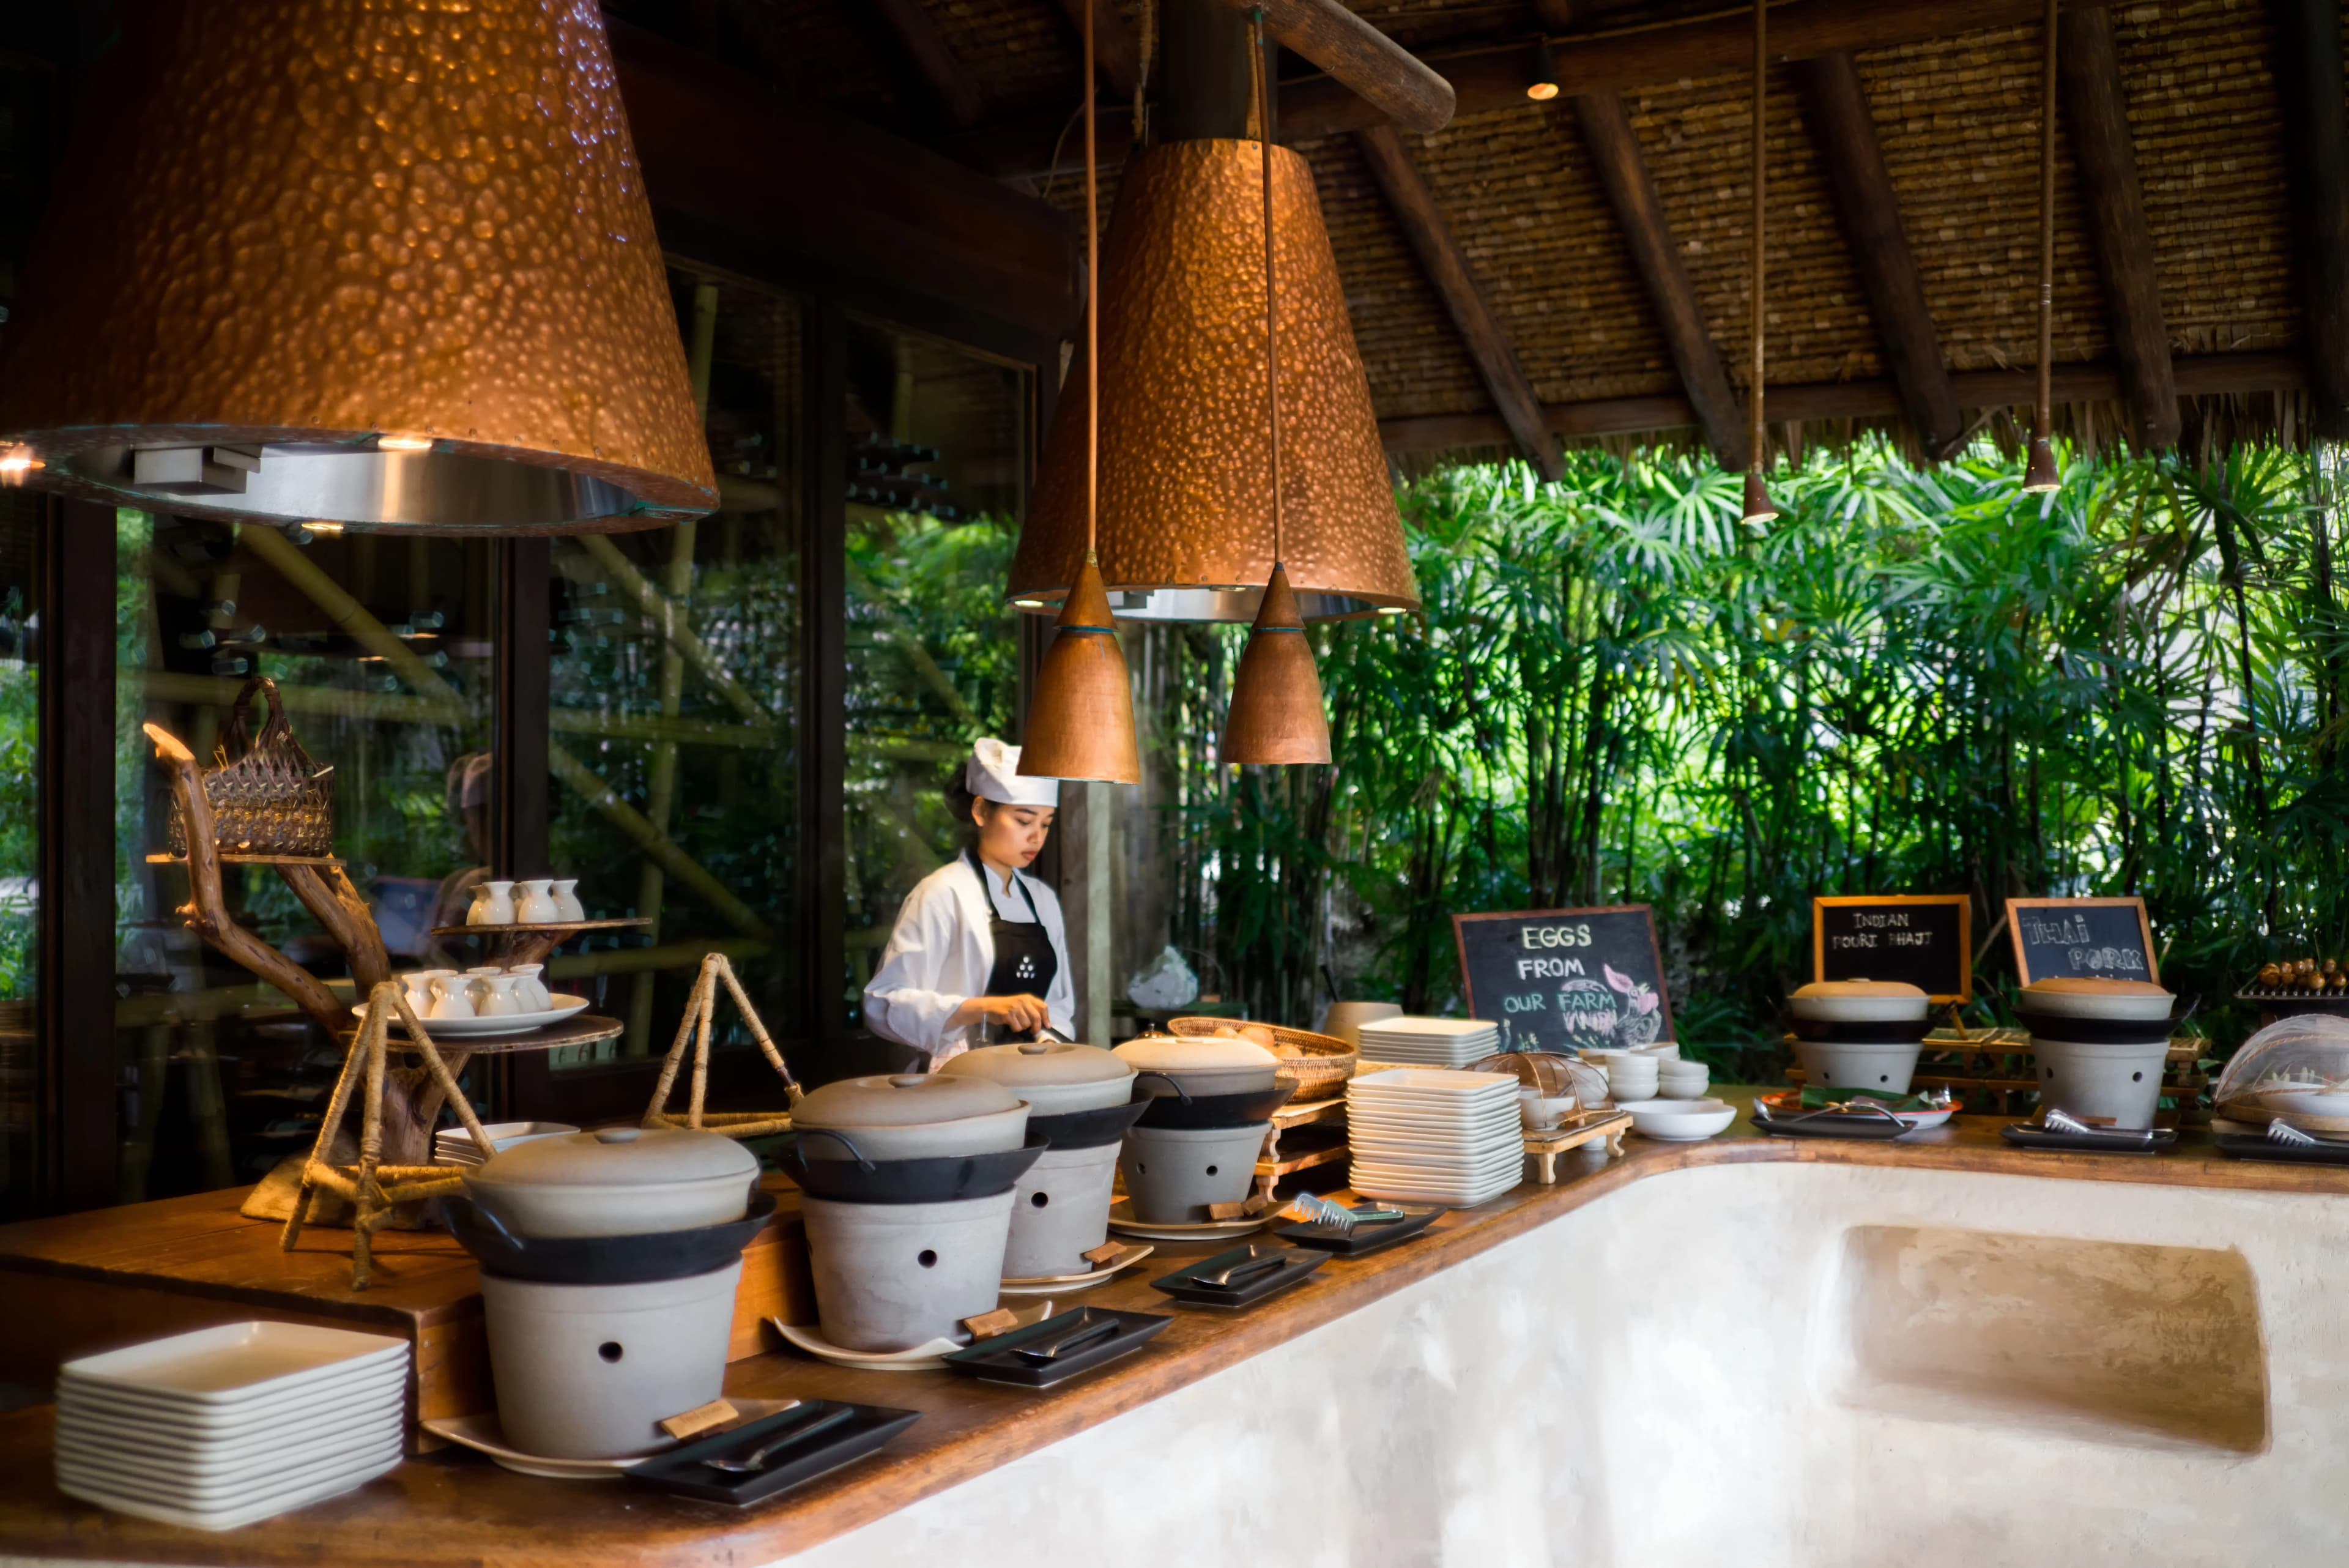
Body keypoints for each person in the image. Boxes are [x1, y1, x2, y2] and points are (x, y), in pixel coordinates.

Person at [863, 738, 1077, 1067]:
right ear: (980, 811)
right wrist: (984, 1008)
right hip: (955, 1078)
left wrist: (1045, 1043)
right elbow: (885, 1003)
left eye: (1046, 823)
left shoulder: (1043, 899)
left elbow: (1059, 1005)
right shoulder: (941, 893)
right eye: (1023, 821)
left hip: (1031, 1075)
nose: (1037, 836)